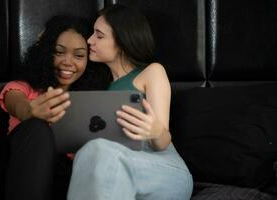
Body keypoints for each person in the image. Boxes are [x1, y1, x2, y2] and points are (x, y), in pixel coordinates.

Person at [67, 4, 193, 200]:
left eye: (99, 35)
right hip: (114, 170)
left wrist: (155, 131)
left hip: (162, 169)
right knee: (92, 152)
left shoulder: (152, 72)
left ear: (123, 41)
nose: (89, 40)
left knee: (97, 150)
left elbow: (161, 142)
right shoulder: (99, 86)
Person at [0, 15, 95, 200]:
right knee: (37, 128)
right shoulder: (23, 88)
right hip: (23, 173)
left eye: (79, 55)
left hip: (71, 182)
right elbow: (17, 103)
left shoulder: (91, 102)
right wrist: (30, 111)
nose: (68, 62)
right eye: (58, 52)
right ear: (45, 53)